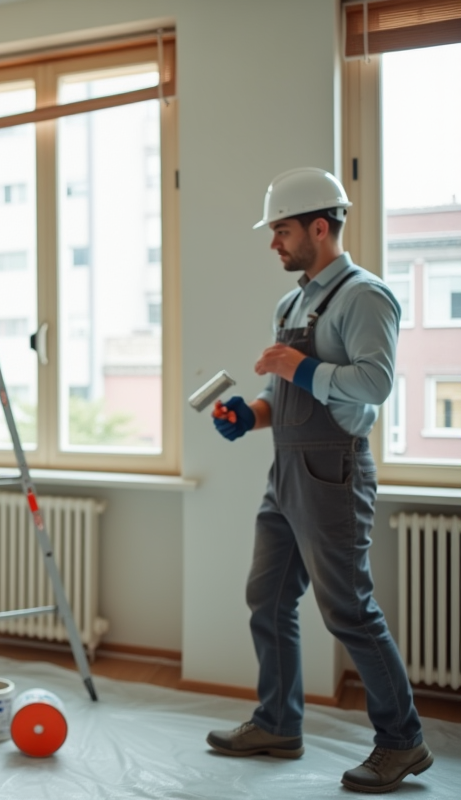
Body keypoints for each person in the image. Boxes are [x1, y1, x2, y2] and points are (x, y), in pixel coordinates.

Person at [205, 168, 432, 793]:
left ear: (319, 227)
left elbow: (374, 384)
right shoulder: (292, 300)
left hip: (334, 469)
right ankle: (278, 722)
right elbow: (286, 390)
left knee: (349, 609)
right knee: (268, 596)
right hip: (287, 469)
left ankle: (403, 741)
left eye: (281, 231)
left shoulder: (366, 296)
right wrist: (250, 413)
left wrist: (299, 367)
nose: (273, 243)